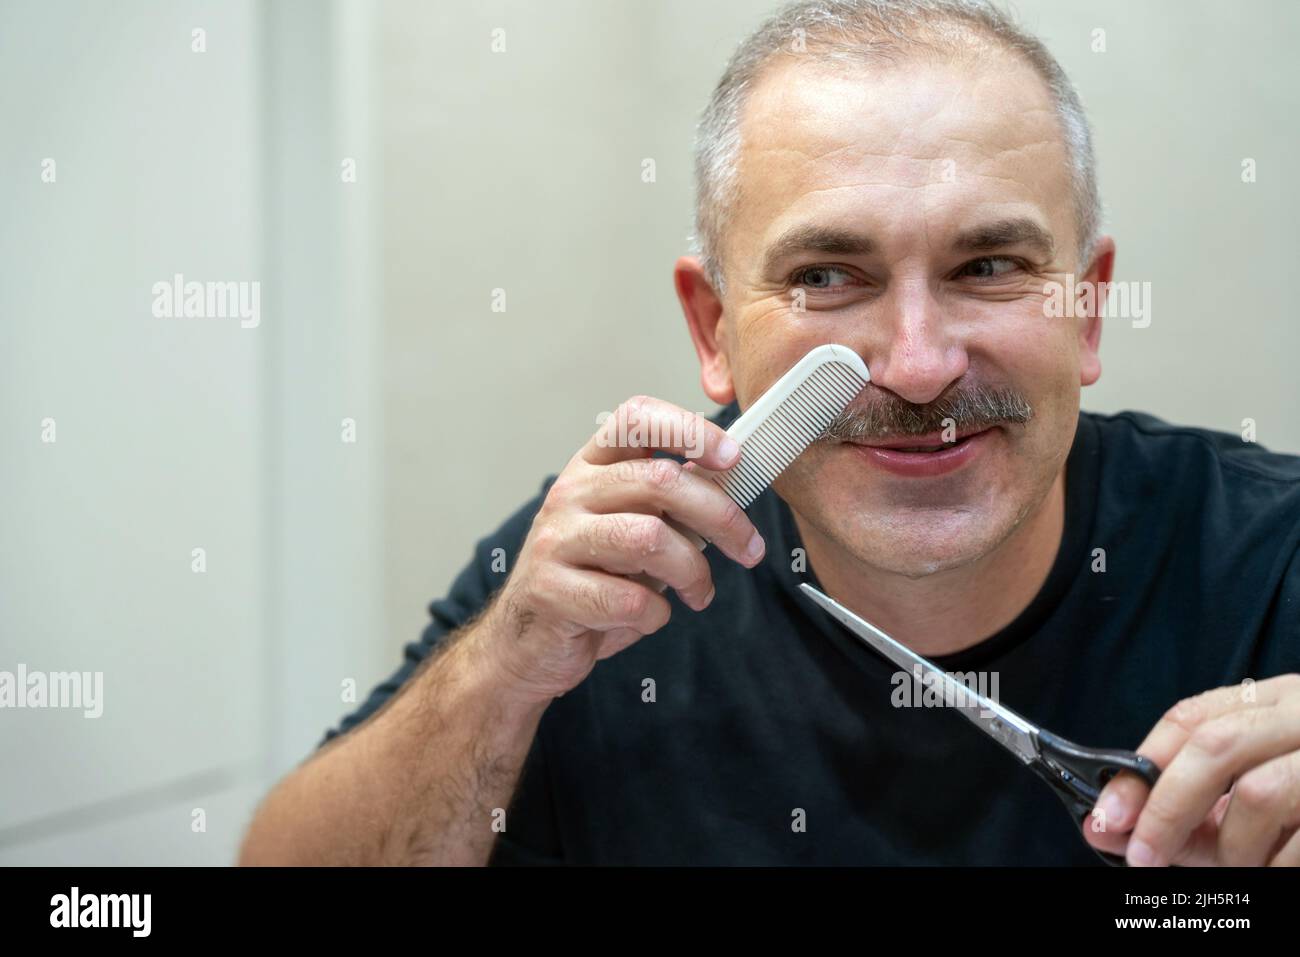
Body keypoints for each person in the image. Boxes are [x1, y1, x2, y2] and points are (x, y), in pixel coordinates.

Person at [239, 0, 1300, 866]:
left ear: (1087, 310)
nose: (919, 364)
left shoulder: (1268, 560)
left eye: (988, 268)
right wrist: (497, 680)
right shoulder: (607, 584)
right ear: (711, 330)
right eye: (827, 277)